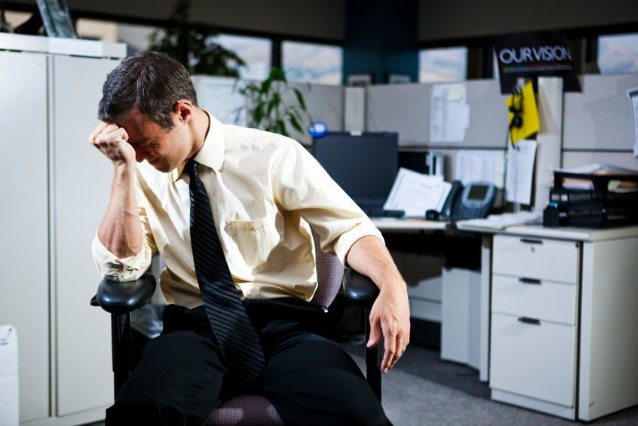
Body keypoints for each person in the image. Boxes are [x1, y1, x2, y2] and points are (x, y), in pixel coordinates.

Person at [90, 51, 409, 426]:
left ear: (183, 112)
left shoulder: (274, 155)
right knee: (139, 412)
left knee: (358, 415)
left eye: (145, 143)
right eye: (131, 148)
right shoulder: (141, 171)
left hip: (284, 327)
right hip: (195, 329)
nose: (140, 156)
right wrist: (123, 171)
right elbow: (122, 269)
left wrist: (393, 284)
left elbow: (350, 229)